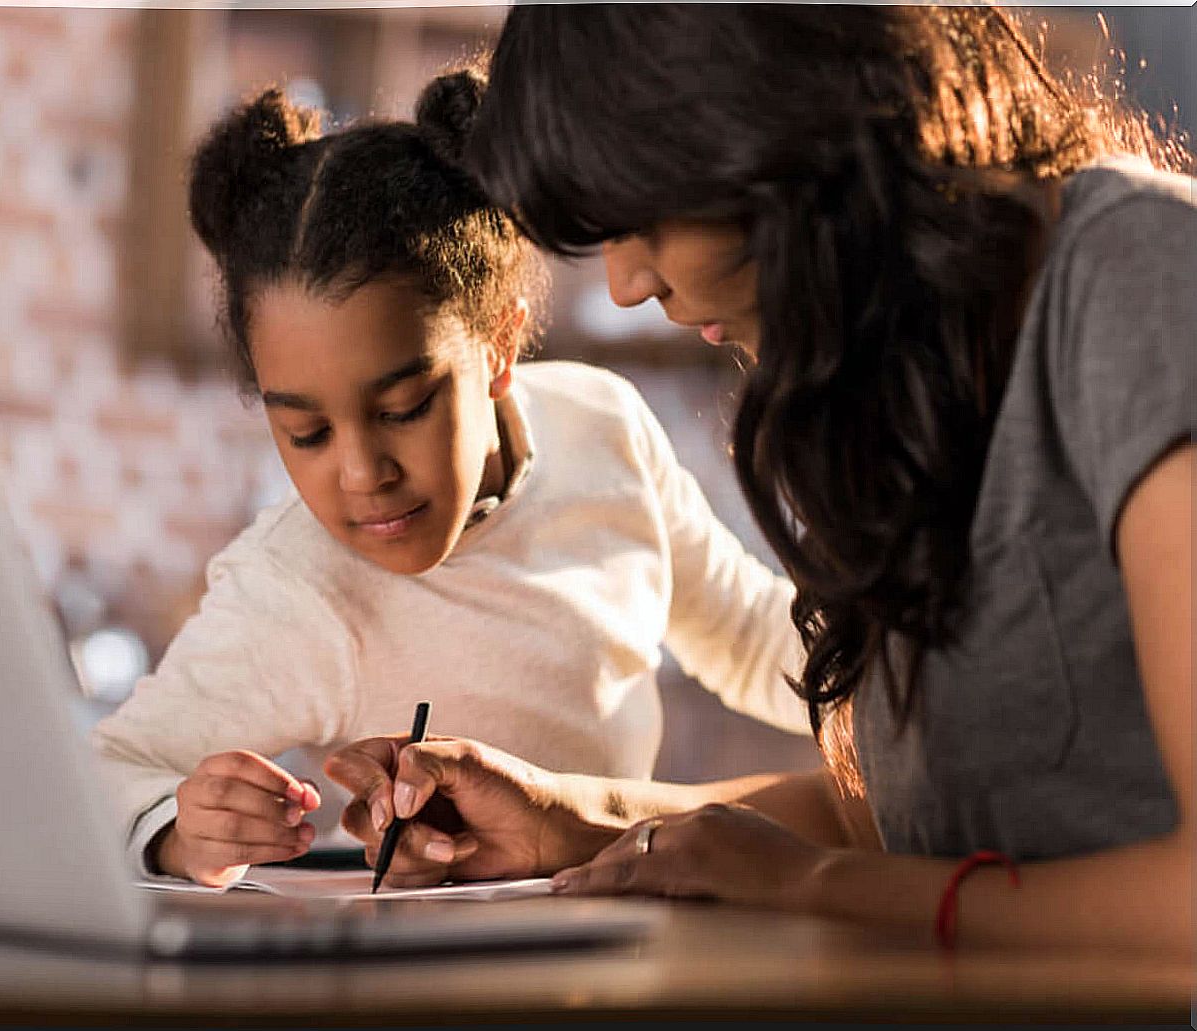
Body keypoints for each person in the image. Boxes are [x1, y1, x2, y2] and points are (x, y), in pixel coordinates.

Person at [326, 6, 1193, 952]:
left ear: (771, 114)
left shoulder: (1137, 277)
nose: (624, 285)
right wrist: (577, 819)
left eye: (639, 216)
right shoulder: (891, 373)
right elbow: (906, 821)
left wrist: (812, 884)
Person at [90, 67, 812, 887]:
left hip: (627, 942)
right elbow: (105, 769)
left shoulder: (600, 425)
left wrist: (917, 683)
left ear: (500, 342)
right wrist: (179, 828)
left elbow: (753, 639)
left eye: (403, 407)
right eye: (307, 432)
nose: (363, 473)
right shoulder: (293, 590)